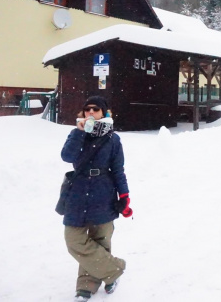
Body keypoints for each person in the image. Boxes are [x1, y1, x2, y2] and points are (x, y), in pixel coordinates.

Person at [60, 95, 133, 302]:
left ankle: (86, 284)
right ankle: (114, 269)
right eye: (87, 109)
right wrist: (80, 133)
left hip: (103, 190)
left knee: (101, 239)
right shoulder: (76, 133)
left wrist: (125, 196)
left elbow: (118, 170)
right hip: (78, 190)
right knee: (74, 239)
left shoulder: (113, 139)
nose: (91, 113)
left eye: (96, 109)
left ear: (104, 113)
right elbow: (67, 157)